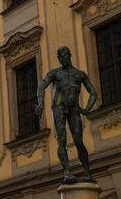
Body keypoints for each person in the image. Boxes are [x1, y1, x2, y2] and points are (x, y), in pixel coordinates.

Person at [35, 46, 97, 182]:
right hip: (58, 106)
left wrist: (87, 109)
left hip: (74, 108)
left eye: (63, 56)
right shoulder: (55, 73)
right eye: (59, 57)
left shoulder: (80, 74)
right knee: (61, 138)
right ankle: (67, 172)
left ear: (69, 55)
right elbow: (41, 86)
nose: (61, 59)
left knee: (79, 141)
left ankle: (87, 173)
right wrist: (40, 103)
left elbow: (93, 92)